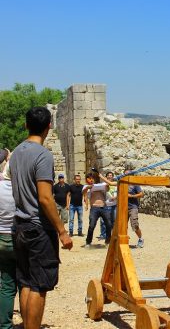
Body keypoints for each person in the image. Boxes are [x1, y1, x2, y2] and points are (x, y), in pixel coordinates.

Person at [9, 106, 72, 329]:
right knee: (39, 286)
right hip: (38, 228)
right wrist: (62, 231)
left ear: (26, 125)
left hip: (19, 225)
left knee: (25, 282)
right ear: (49, 126)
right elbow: (45, 198)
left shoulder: (16, 152)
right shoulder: (42, 155)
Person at [0, 162, 17, 329]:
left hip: (0, 236)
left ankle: (4, 325)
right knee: (26, 283)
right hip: (18, 237)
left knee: (6, 284)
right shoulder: (21, 188)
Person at [84, 172, 112, 248]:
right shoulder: (87, 187)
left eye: (92, 178)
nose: (91, 180)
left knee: (109, 225)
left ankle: (108, 241)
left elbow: (108, 188)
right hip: (94, 208)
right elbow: (84, 193)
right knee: (92, 226)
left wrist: (106, 183)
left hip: (104, 207)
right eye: (89, 179)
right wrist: (88, 188)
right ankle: (88, 242)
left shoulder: (102, 185)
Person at [125, 169, 144, 248]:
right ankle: (123, 240)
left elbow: (141, 194)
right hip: (123, 207)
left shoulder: (135, 184)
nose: (126, 175)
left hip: (133, 207)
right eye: (125, 174)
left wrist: (132, 196)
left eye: (128, 174)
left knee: (135, 224)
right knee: (122, 225)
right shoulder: (122, 183)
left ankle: (140, 239)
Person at [98, 171, 117, 239]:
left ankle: (112, 234)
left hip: (114, 205)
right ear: (106, 177)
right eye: (108, 175)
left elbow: (119, 192)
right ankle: (103, 234)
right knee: (103, 220)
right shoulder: (102, 184)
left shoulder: (116, 184)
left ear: (112, 177)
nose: (110, 176)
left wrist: (115, 197)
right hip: (106, 204)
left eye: (111, 175)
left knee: (114, 221)